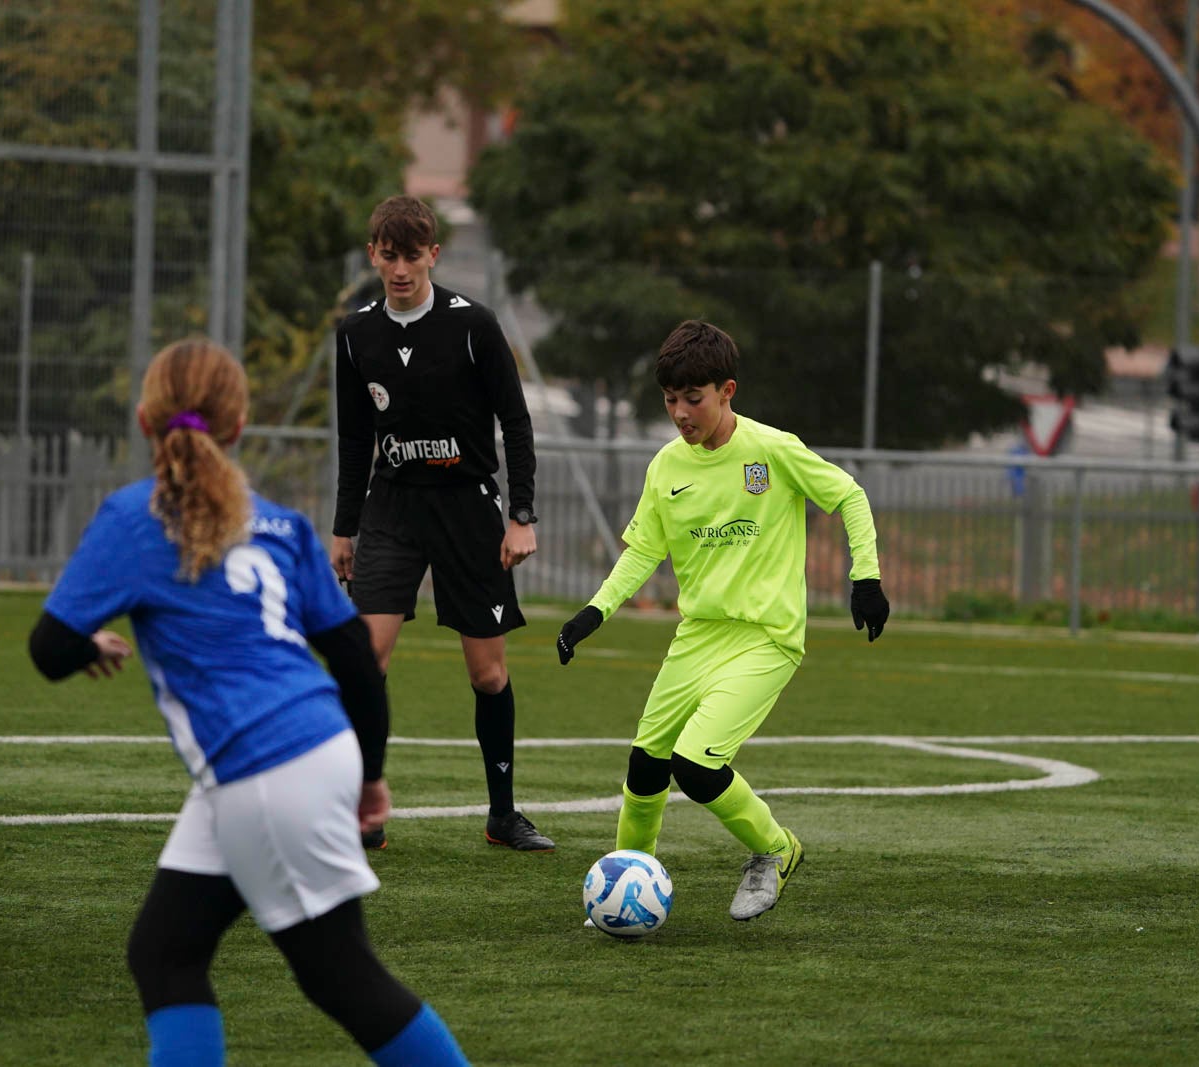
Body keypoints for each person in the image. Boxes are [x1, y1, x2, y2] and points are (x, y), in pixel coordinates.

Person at [29, 339, 468, 1066]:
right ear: (237, 428)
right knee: (165, 951)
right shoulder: (281, 522)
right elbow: (356, 657)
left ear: (144, 419)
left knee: (341, 973)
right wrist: (369, 772)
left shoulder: (134, 517)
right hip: (313, 745)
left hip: (264, 768)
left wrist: (88, 647)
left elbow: (47, 648)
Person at [556, 319, 890, 921]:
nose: (680, 413)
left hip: (767, 637)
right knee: (645, 766)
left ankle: (776, 850)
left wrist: (865, 575)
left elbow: (850, 496)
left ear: (727, 391)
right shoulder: (666, 467)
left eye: (693, 399)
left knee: (695, 764)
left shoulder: (771, 449)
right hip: (698, 637)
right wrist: (594, 611)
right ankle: (628, 888)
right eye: (670, 400)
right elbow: (642, 550)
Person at [332, 194, 551, 852]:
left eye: (413, 255)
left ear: (433, 254)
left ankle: (503, 814)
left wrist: (520, 516)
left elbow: (516, 421)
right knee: (366, 659)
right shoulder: (355, 332)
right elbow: (353, 440)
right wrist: (344, 528)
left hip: (467, 509)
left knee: (487, 673)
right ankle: (363, 808)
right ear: (374, 254)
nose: (400, 268)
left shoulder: (473, 325)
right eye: (388, 255)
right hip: (392, 507)